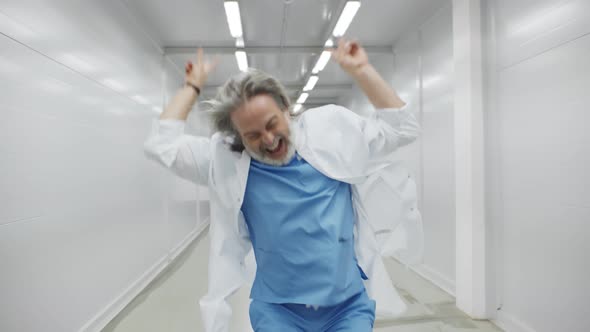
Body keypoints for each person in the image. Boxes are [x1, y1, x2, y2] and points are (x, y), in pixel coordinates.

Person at [144, 38, 422, 332]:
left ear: (286, 107)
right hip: (278, 314)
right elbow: (161, 146)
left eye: (271, 123)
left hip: (347, 308)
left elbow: (402, 128)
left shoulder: (331, 134)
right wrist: (191, 87)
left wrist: (363, 70)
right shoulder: (225, 160)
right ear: (237, 136)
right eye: (252, 135)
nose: (267, 139)